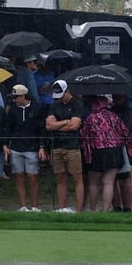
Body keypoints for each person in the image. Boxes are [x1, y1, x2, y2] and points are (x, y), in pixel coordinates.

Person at [81, 95, 130, 212]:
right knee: (109, 182)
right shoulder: (114, 116)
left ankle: (92, 209)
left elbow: (84, 137)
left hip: (97, 151)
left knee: (93, 183)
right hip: (114, 151)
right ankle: (105, 209)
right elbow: (125, 131)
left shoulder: (90, 118)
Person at [3, 83, 46, 211]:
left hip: (32, 147)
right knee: (19, 176)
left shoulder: (37, 108)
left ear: (23, 96)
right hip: (16, 148)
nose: (14, 100)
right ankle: (23, 206)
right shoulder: (12, 110)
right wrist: (5, 144)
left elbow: (41, 129)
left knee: (32, 177)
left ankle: (35, 206)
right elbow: (8, 128)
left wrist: (42, 146)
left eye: (16, 97)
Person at [45, 79, 84, 212]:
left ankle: (79, 210)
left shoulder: (77, 104)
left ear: (67, 91)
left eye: (62, 94)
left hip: (72, 146)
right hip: (57, 145)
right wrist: (66, 121)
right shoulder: (54, 105)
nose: (59, 98)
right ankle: (62, 208)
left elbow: (74, 125)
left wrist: (57, 125)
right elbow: (49, 126)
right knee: (60, 177)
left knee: (77, 177)